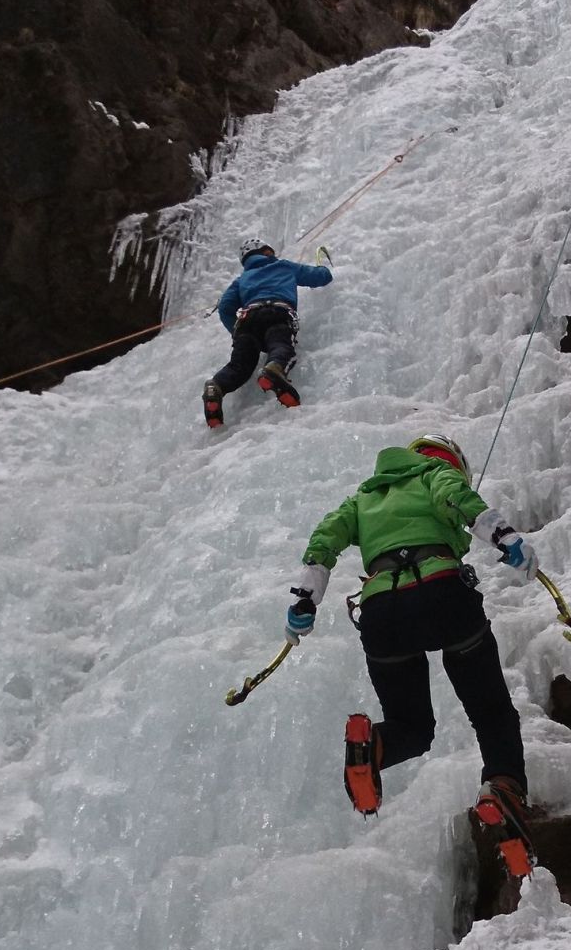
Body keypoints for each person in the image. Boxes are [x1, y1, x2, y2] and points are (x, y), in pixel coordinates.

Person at [284, 435, 540, 874]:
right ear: (448, 462)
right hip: (442, 596)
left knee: (412, 726)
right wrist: (506, 538)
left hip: (382, 612)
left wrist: (305, 598)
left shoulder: (363, 498)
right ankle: (503, 789)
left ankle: (372, 747)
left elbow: (326, 538)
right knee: (491, 712)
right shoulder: (433, 474)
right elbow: (458, 500)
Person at [202, 239, 333, 429]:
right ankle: (274, 369)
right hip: (277, 314)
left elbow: (225, 307)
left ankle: (216, 386)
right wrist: (323, 269)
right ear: (267, 252)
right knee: (282, 347)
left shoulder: (242, 279)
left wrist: (236, 333)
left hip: (247, 321)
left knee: (240, 366)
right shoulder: (283, 266)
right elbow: (321, 277)